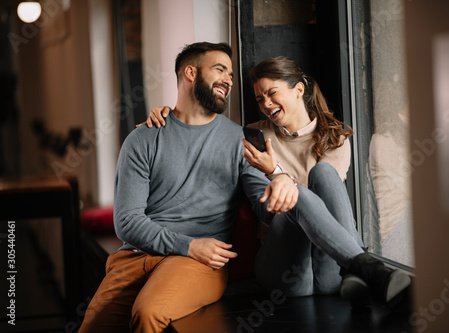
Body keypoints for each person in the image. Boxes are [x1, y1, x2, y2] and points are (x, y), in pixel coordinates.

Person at [143, 56, 411, 308]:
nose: (266, 103)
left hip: (329, 268)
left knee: (324, 174)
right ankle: (367, 269)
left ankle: (355, 267)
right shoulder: (254, 135)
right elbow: (271, 208)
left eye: (272, 93)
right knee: (296, 194)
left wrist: (277, 172)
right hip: (286, 269)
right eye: (260, 99)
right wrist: (169, 114)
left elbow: (329, 206)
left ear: (298, 89)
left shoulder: (336, 138)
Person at [79, 42, 299, 333]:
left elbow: (267, 209)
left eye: (231, 75)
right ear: (190, 72)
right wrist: (186, 244)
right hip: (135, 259)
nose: (229, 81)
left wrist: (278, 178)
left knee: (148, 313)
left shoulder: (241, 140)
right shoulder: (143, 138)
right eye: (220, 70)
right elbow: (127, 222)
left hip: (199, 262)